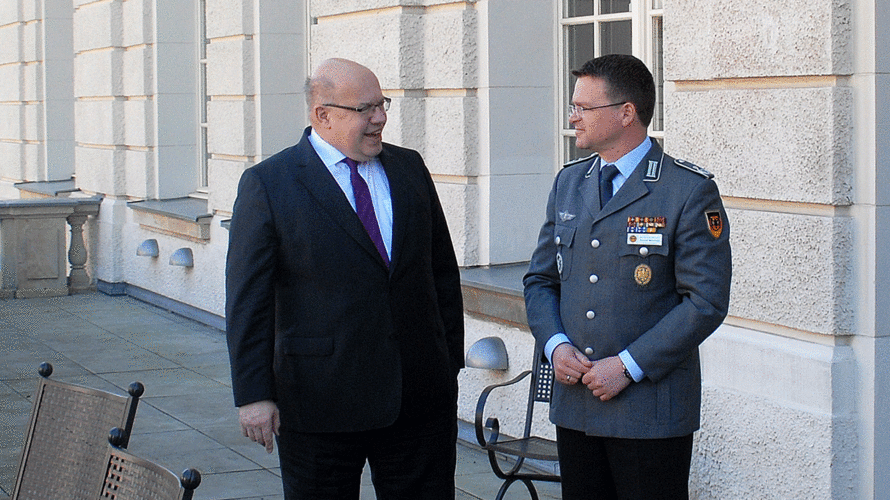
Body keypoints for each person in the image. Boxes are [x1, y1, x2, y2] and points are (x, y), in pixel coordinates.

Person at [225, 58, 465, 499]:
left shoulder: (409, 168)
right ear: (323, 115)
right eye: (366, 109)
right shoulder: (269, 184)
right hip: (319, 404)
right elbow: (248, 300)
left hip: (417, 401)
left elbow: (441, 274)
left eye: (382, 104)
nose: (381, 118)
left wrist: (447, 364)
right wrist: (253, 393)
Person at [523, 54, 732, 500]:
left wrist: (628, 366)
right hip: (577, 404)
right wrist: (555, 345)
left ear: (626, 113)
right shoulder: (569, 183)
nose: (572, 116)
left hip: (649, 411)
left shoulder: (687, 190)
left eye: (583, 107)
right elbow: (541, 280)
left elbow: (705, 301)